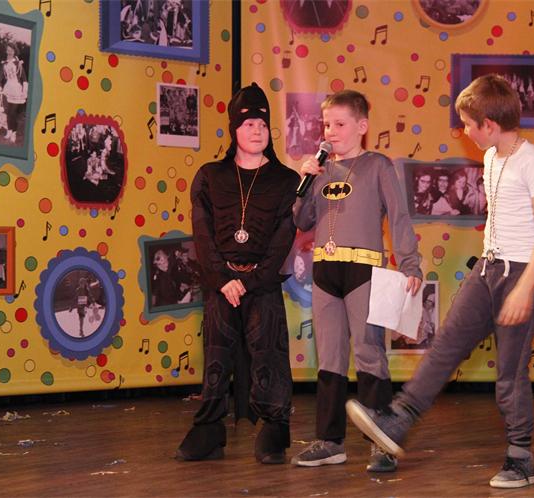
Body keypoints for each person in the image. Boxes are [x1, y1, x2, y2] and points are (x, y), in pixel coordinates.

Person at [346, 74, 534, 489]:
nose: (464, 131)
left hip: (521, 274)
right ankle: (398, 420)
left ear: (489, 125)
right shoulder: (492, 157)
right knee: (444, 347)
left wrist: (525, 289)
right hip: (489, 270)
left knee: (510, 374)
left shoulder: (533, 161)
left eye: (468, 124)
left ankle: (520, 458)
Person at [292, 89, 423, 472]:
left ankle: (381, 441)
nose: (330, 132)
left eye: (339, 124)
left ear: (362, 126)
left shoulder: (377, 165)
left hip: (363, 271)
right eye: (326, 124)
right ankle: (330, 441)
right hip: (325, 271)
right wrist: (304, 182)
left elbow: (398, 217)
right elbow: (302, 221)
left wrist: (410, 264)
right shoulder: (320, 171)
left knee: (369, 352)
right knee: (330, 357)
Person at [176, 83, 299, 464]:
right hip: (221, 283)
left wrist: (250, 281)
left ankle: (274, 429)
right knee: (216, 355)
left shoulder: (286, 180)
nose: (256, 131)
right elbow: (202, 232)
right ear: (234, 130)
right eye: (248, 124)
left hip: (261, 283)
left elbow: (283, 238)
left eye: (262, 124)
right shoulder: (210, 176)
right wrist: (222, 278)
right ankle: (209, 429)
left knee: (269, 354)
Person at [0, 43, 28, 144]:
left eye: (11, 50)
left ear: (14, 51)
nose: (9, 52)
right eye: (8, 50)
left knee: (13, 113)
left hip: (16, 89)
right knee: (8, 112)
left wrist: (24, 91)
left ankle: (14, 133)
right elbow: (1, 77)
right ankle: (9, 131)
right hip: (7, 89)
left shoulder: (18, 63)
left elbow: (24, 78)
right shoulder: (4, 63)